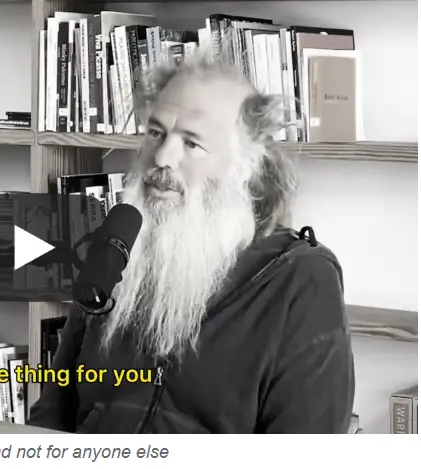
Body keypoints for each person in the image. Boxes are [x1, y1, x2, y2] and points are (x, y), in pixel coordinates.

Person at [26, 52, 355, 434]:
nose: (162, 157)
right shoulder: (115, 252)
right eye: (155, 133)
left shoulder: (301, 281)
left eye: (193, 144)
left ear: (246, 165)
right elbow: (51, 417)